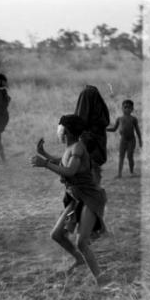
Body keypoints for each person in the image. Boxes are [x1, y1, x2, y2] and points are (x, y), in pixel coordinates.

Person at [31, 115, 110, 287]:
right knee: (57, 234)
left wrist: (45, 163)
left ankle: (100, 279)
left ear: (66, 130)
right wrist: (45, 154)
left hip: (89, 199)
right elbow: (62, 161)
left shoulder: (78, 148)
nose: (58, 131)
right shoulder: (71, 148)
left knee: (81, 242)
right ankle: (79, 259)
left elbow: (69, 171)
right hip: (77, 199)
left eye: (61, 127)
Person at [74, 85, 110, 185]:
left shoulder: (93, 124)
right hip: (95, 146)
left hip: (91, 146)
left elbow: (81, 120)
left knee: (92, 172)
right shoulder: (99, 114)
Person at [106, 99, 142, 178]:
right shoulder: (119, 119)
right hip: (123, 140)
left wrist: (140, 140)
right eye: (125, 107)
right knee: (121, 156)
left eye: (129, 108)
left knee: (130, 156)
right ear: (122, 108)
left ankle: (132, 172)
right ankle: (119, 174)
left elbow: (137, 130)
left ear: (132, 109)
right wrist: (105, 129)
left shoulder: (133, 119)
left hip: (131, 140)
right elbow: (114, 129)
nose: (127, 109)